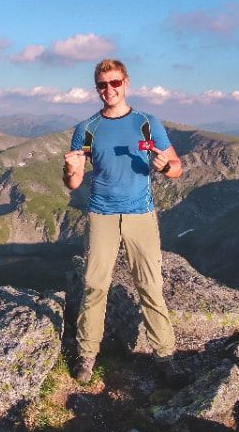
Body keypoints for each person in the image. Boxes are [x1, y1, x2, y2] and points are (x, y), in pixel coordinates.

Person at [61, 58, 182, 384]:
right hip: (101, 214)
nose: (109, 90)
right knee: (94, 285)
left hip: (140, 214)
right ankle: (87, 356)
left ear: (126, 83)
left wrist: (163, 166)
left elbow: (176, 168)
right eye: (103, 85)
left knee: (150, 286)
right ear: (96, 88)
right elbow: (72, 183)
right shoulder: (86, 129)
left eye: (115, 83)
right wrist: (71, 169)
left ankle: (165, 355)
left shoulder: (147, 123)